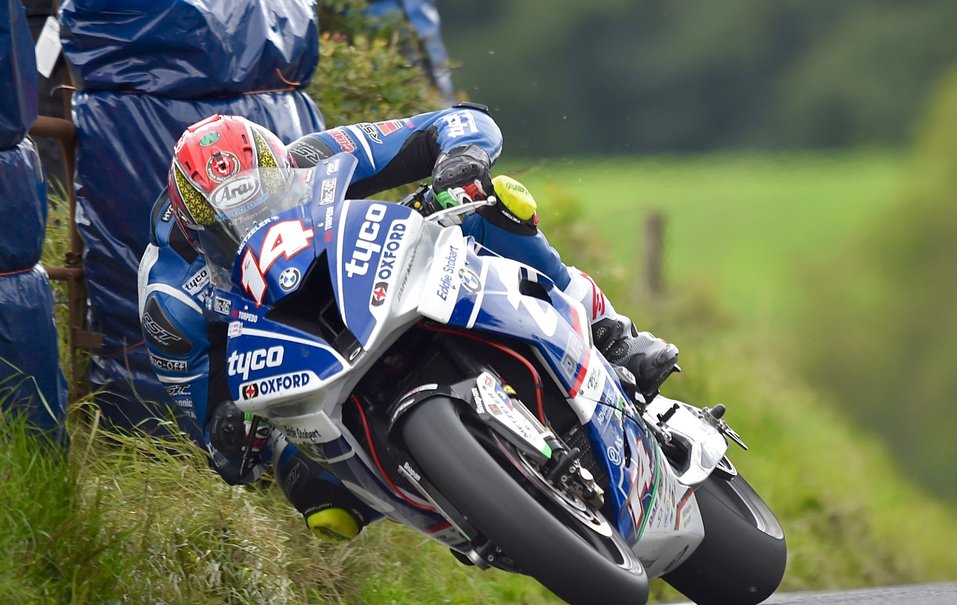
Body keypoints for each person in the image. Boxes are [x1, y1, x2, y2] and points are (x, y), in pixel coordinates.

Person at [138, 104, 678, 540]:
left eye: (269, 205)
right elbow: (216, 438)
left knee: (491, 205)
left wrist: (460, 157)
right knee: (316, 497)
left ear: (286, 172)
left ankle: (611, 333)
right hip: (296, 358)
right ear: (193, 231)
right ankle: (458, 506)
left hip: (366, 281)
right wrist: (230, 429)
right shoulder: (168, 297)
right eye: (230, 227)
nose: (256, 229)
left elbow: (460, 121)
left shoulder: (316, 158)